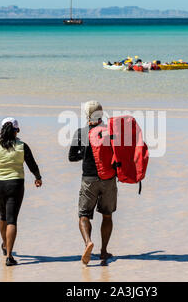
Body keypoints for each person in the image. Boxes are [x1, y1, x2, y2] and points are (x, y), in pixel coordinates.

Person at [0, 117, 42, 266]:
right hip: (16, 185)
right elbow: (32, 164)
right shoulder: (22, 146)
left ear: (2, 131)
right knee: (12, 220)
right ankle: (9, 256)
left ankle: (5, 245)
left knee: (3, 216)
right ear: (17, 131)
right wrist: (38, 177)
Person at [69, 101, 117, 265]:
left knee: (83, 215)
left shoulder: (80, 132)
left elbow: (71, 157)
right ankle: (103, 252)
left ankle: (88, 242)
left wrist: (85, 154)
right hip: (108, 179)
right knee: (107, 215)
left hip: (89, 179)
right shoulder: (110, 132)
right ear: (101, 114)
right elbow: (117, 156)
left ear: (86, 115)